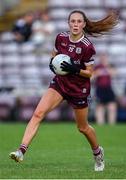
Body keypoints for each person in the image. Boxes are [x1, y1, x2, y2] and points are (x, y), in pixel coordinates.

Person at [9, 10, 118, 172]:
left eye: (79, 22)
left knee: (83, 128)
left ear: (84, 24)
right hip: (60, 84)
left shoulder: (87, 47)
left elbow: (90, 73)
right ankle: (21, 151)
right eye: (72, 21)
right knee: (38, 113)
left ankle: (98, 153)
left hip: (78, 89)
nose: (75, 24)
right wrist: (52, 63)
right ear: (68, 23)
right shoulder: (60, 37)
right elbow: (55, 56)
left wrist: (75, 69)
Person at [93, 53, 117, 125]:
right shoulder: (97, 67)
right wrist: (96, 74)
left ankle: (111, 124)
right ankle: (100, 123)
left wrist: (107, 68)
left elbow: (114, 74)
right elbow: (91, 77)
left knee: (112, 106)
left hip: (108, 88)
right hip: (99, 89)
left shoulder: (110, 66)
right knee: (100, 107)